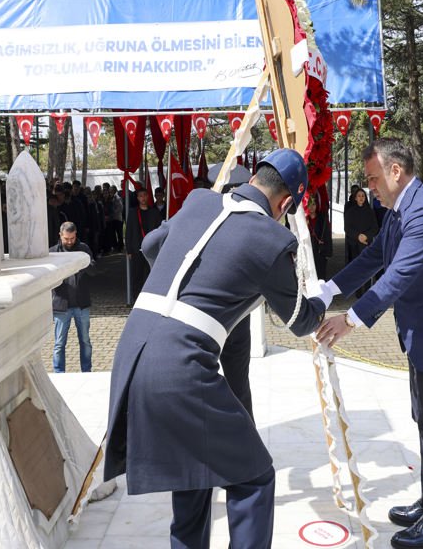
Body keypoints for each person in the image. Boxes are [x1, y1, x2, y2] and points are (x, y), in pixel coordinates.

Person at [104, 149, 328, 549]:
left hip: (132, 348)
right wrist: (323, 296)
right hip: (180, 365)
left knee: (195, 473)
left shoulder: (199, 200)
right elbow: (300, 321)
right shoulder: (272, 238)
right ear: (286, 203)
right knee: (254, 477)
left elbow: (154, 244)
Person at [316, 138, 423, 549]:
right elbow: (375, 257)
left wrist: (350, 320)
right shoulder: (399, 211)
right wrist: (327, 292)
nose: (370, 186)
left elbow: (398, 276)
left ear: (396, 171)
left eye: (374, 178)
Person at [50, 222, 95, 373]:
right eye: (66, 239)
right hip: (61, 305)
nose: (69, 242)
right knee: (59, 344)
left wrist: (84, 263)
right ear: (60, 235)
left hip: (81, 304)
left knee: (85, 341)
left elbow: (94, 270)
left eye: (72, 238)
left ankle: (86, 371)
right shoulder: (53, 253)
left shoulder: (83, 249)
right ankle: (59, 373)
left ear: (76, 235)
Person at [124, 187, 163, 303]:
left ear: (148, 196)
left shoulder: (154, 212)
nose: (143, 198)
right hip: (137, 249)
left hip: (151, 249)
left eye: (145, 196)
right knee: (137, 275)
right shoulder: (133, 212)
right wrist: (129, 250)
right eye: (140, 196)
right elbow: (129, 231)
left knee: (150, 274)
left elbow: (159, 231)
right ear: (137, 198)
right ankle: (137, 298)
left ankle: (151, 298)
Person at [344, 187, 379, 297]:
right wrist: (358, 236)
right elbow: (347, 228)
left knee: (367, 269)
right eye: (359, 196)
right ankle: (358, 292)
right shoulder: (350, 212)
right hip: (354, 244)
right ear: (355, 198)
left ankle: (367, 291)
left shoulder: (370, 211)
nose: (361, 198)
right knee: (356, 269)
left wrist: (366, 236)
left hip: (367, 244)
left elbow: (375, 228)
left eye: (363, 196)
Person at [307, 196, 332, 280]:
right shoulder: (304, 219)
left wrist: (327, 251)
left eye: (313, 204)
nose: (311, 207)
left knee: (321, 276)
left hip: (320, 251)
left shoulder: (322, 219)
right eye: (309, 204)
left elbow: (327, 235)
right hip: (308, 250)